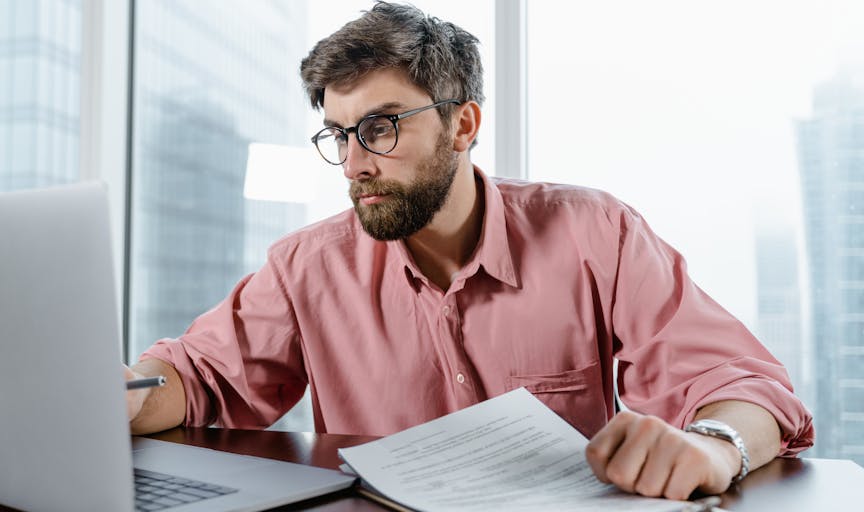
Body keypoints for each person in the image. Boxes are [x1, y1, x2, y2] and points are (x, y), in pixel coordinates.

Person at [124, 1, 814, 501]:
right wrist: (113, 394)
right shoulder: (308, 266)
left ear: (463, 124)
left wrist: (713, 445)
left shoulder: (593, 233)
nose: (353, 162)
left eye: (380, 127)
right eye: (338, 134)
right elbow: (195, 377)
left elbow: (743, 385)